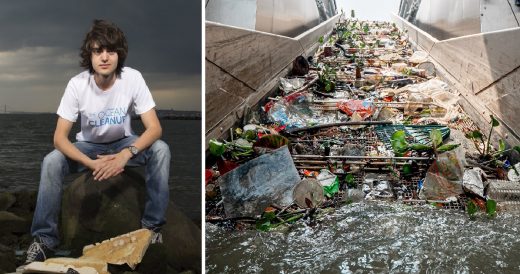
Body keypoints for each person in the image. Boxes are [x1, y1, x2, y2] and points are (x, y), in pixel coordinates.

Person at [25, 19, 171, 263]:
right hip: (88, 148)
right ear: (90, 55)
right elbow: (59, 138)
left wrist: (126, 155)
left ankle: (152, 229)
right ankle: (44, 238)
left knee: (161, 150)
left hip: (123, 142)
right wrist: (91, 164)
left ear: (119, 55)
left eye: (110, 51)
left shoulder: (133, 78)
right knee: (51, 161)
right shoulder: (77, 84)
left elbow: (155, 128)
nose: (104, 57)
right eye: (98, 51)